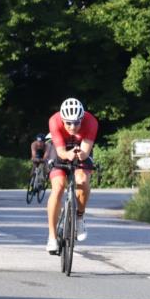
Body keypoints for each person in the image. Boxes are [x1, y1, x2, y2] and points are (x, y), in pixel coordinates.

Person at [45, 98, 98, 254]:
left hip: (80, 148)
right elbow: (61, 152)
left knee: (82, 179)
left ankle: (79, 218)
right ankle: (52, 237)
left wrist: (80, 154)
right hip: (60, 149)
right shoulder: (54, 121)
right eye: (68, 123)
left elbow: (85, 152)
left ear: (82, 119)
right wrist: (68, 154)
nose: (73, 127)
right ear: (62, 119)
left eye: (76, 123)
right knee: (59, 186)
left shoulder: (91, 122)